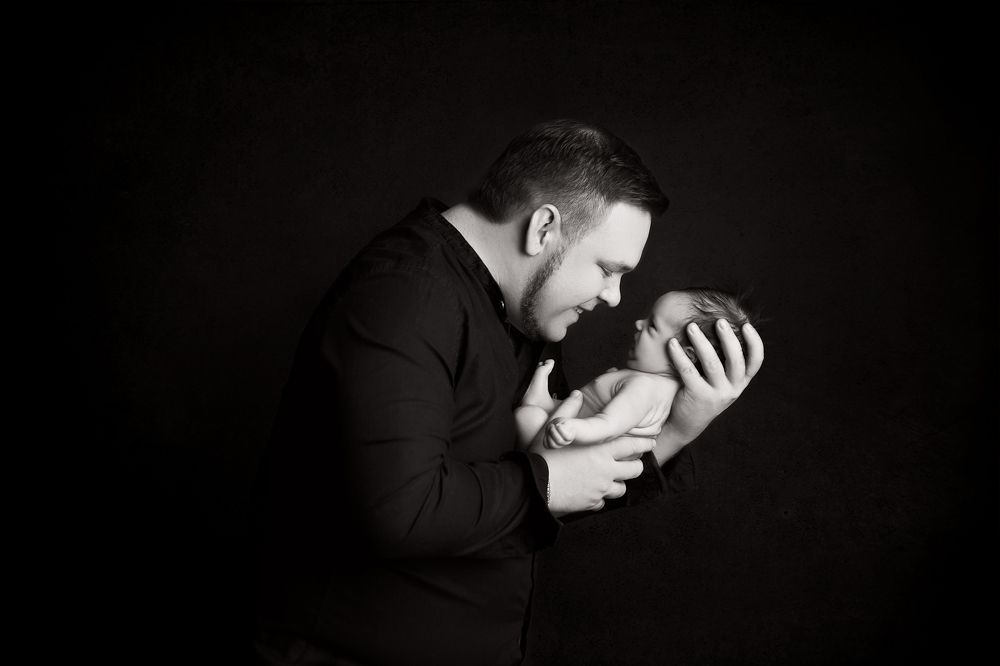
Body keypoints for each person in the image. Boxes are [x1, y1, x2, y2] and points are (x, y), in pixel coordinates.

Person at [252, 120, 764, 665]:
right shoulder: (403, 294)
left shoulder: (527, 309)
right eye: (607, 269)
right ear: (544, 228)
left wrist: (678, 428)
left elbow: (553, 486)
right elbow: (401, 510)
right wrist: (549, 480)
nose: (615, 297)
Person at [515, 288, 754, 451]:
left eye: (652, 326)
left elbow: (609, 424)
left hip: (571, 445)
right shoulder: (652, 385)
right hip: (570, 422)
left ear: (686, 355)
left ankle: (539, 409)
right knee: (545, 409)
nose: (639, 323)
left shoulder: (646, 388)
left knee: (527, 417)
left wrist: (574, 429)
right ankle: (543, 402)